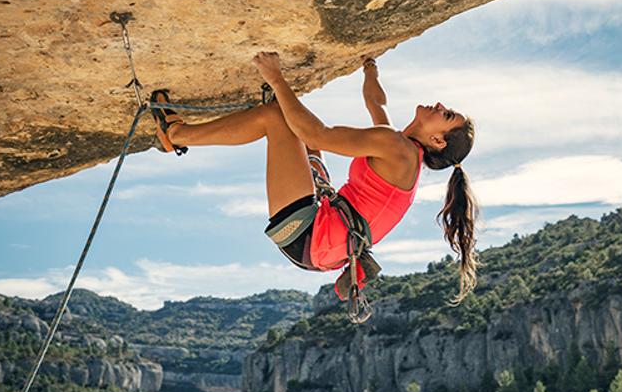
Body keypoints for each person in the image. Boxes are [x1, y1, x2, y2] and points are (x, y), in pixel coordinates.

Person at [150, 52, 479, 303]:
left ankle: (176, 134)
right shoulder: (400, 146)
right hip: (323, 241)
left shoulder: (398, 149)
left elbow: (319, 134)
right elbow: (375, 102)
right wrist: (369, 65)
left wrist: (278, 79)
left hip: (309, 234)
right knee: (294, 124)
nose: (439, 105)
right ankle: (247, 112)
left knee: (277, 118)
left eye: (446, 115)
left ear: (438, 141)